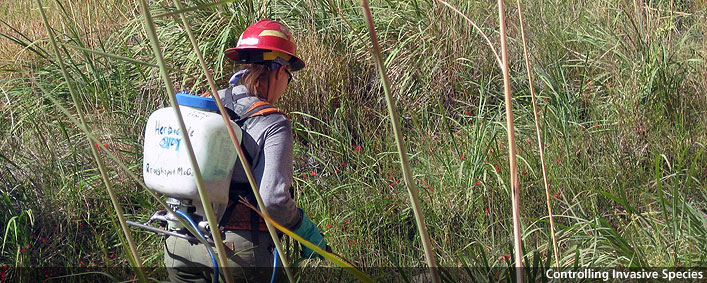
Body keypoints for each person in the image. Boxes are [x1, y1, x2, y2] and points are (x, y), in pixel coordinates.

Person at [164, 19, 328, 282]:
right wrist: (302, 228)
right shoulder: (273, 122)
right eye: (289, 75)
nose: (287, 83)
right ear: (278, 70)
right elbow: (272, 201)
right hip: (238, 253)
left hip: (180, 243)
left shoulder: (207, 104)